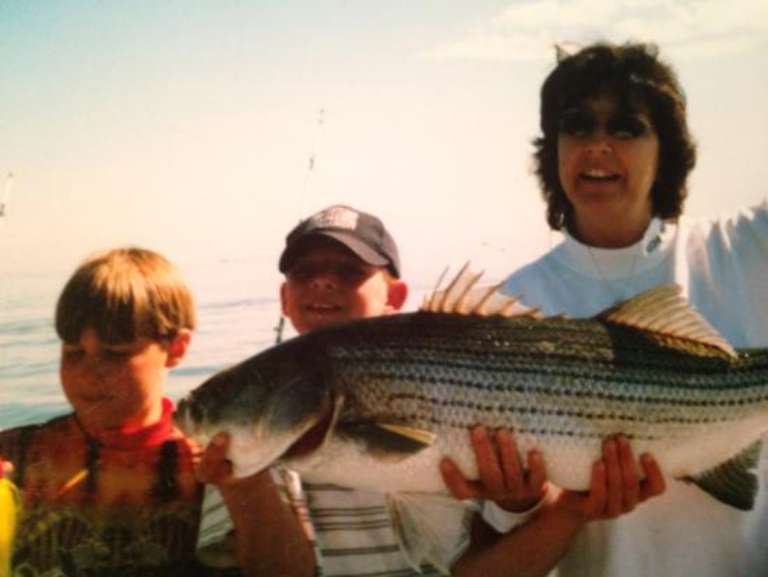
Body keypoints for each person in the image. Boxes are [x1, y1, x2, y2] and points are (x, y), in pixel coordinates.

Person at [452, 41, 768, 577]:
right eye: (577, 126)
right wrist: (518, 503)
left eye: (626, 128)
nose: (597, 146)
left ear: (664, 149)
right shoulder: (506, 309)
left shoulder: (744, 248)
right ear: (552, 148)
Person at [196, 204, 555, 576]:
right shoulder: (257, 410)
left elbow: (481, 555)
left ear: (395, 297)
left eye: (350, 271)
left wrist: (523, 502)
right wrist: (243, 486)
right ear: (285, 298)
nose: (322, 281)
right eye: (304, 272)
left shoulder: (443, 362)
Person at [0, 247, 205, 577]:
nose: (88, 372)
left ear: (176, 349)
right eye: (74, 352)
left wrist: (245, 487)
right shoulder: (16, 456)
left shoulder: (211, 463)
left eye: (114, 353)